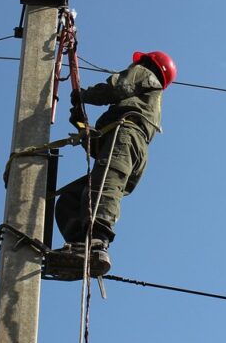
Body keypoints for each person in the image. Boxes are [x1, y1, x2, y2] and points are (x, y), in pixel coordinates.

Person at [49, 50, 177, 276]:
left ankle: (97, 244)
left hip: (126, 138)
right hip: (129, 148)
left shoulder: (145, 73)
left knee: (103, 188)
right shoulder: (139, 106)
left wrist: (83, 95)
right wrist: (82, 126)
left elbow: (117, 88)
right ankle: (80, 247)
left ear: (149, 63)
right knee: (72, 199)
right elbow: (99, 148)